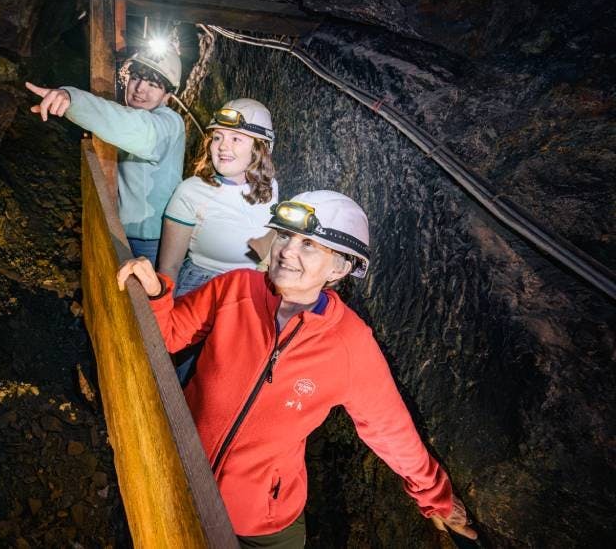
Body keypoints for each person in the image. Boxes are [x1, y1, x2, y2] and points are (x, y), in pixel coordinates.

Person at [117, 190, 477, 546]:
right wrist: (154, 294)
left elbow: (390, 430)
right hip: (181, 474)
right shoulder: (236, 289)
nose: (287, 250)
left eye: (309, 245)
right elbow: (170, 336)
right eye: (285, 236)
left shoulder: (349, 344)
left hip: (260, 522)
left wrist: (435, 498)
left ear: (339, 267)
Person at [25, 48, 184, 265]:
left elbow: (135, 129)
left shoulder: (169, 124)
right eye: (136, 78)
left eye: (153, 85)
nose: (140, 89)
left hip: (151, 240)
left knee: (147, 298)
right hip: (124, 230)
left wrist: (73, 99)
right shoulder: (137, 114)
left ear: (167, 95)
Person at [158, 99, 278, 382]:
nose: (223, 146)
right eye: (218, 137)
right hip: (199, 290)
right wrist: (161, 320)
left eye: (236, 138)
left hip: (249, 295)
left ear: (259, 149)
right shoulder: (191, 192)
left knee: (223, 379)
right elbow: (169, 266)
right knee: (182, 374)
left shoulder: (270, 189)